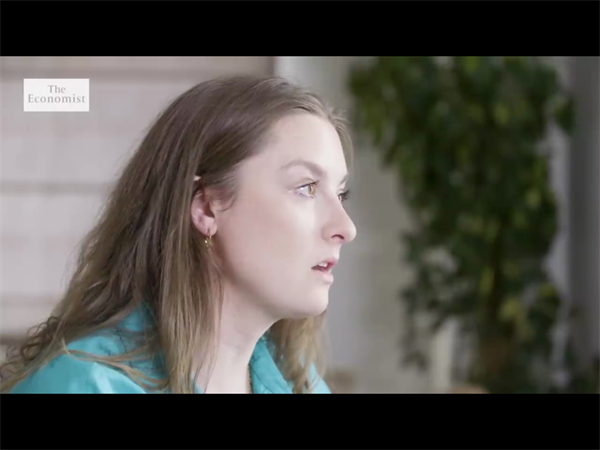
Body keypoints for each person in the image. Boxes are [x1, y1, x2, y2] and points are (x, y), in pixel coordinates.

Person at [0, 74, 357, 394]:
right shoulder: (83, 385)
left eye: (341, 194)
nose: (346, 228)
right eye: (306, 187)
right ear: (205, 208)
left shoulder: (299, 383)